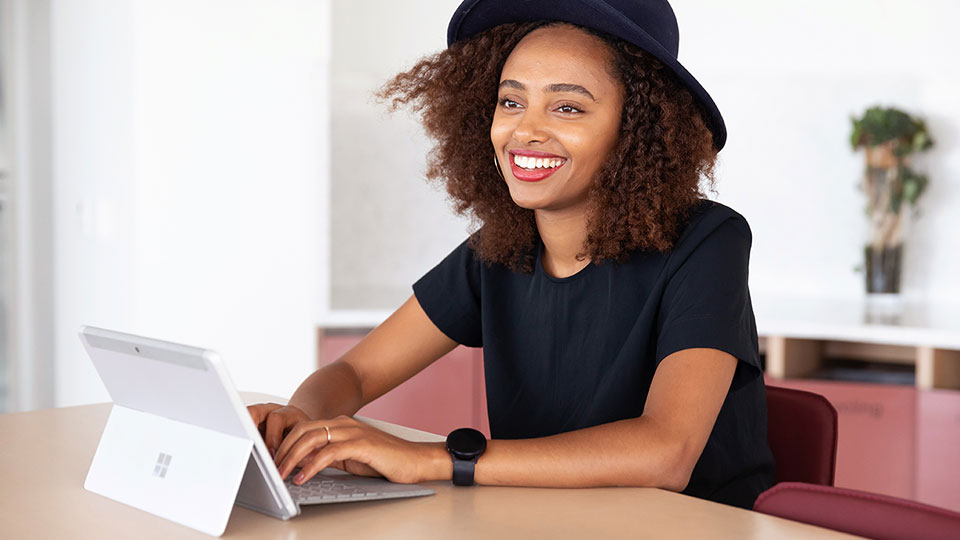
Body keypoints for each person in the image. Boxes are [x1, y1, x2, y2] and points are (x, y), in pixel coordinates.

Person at [248, 0, 776, 509]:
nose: (526, 130)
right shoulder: (501, 249)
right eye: (511, 101)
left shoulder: (709, 240)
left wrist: (431, 459)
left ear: (638, 127)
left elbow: (666, 453)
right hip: (544, 521)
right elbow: (355, 373)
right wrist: (298, 425)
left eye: (567, 107)